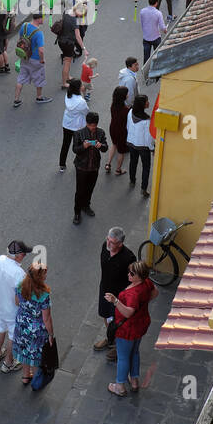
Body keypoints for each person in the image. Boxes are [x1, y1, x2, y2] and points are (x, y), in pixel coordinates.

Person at [106, 261, 157, 396]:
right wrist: (143, 304)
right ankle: (134, 380)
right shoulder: (146, 283)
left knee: (123, 357)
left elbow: (128, 312)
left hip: (127, 329)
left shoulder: (132, 294)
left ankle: (120, 386)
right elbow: (155, 293)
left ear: (139, 276)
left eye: (132, 273)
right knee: (134, 352)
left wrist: (115, 301)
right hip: (141, 325)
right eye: (129, 271)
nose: (128, 274)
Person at [94, 227, 137, 360]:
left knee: (119, 322)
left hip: (119, 296)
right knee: (105, 315)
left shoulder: (128, 258)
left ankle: (119, 347)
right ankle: (110, 338)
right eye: (107, 239)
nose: (108, 243)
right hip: (105, 290)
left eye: (112, 242)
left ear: (120, 244)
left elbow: (134, 280)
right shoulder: (105, 247)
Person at [0, 240, 30, 373]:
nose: (25, 256)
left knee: (0, 327)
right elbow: (19, 300)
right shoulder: (19, 274)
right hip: (12, 311)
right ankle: (8, 363)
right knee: (13, 336)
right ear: (18, 255)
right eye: (24, 254)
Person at [12, 262, 53, 385]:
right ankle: (36, 379)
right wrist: (51, 334)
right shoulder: (43, 294)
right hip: (36, 329)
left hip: (21, 324)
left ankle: (25, 376)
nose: (46, 276)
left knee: (24, 349)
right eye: (44, 274)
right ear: (39, 277)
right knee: (35, 355)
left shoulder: (20, 286)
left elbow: (17, 302)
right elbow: (46, 318)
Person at [72, 111, 108, 225]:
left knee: (90, 188)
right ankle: (77, 212)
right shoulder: (78, 133)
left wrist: (100, 145)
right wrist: (83, 146)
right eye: (90, 125)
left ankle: (86, 206)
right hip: (81, 167)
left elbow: (105, 147)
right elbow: (75, 149)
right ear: (87, 123)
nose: (93, 128)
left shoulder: (101, 132)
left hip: (94, 167)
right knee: (79, 191)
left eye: (94, 125)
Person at [12, 12, 52, 108]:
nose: (43, 20)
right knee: (39, 77)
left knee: (21, 78)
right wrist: (42, 60)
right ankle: (39, 97)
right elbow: (41, 50)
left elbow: (21, 39)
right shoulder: (38, 33)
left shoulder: (24, 26)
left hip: (25, 57)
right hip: (35, 59)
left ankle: (16, 100)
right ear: (38, 19)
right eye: (42, 18)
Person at [58, 78, 89, 173]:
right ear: (78, 88)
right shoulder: (81, 102)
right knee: (79, 145)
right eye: (81, 85)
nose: (83, 86)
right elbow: (86, 111)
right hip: (77, 126)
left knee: (65, 144)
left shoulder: (68, 95)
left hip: (67, 123)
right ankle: (78, 162)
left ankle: (62, 164)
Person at [125, 94, 153, 197]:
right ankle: (143, 188)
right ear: (142, 105)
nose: (148, 103)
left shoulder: (130, 112)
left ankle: (132, 180)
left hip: (131, 142)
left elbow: (127, 126)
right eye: (146, 101)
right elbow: (148, 138)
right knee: (146, 167)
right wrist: (152, 148)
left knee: (133, 162)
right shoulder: (146, 120)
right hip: (143, 146)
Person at [53, 6, 84, 86]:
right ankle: (64, 83)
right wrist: (83, 48)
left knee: (67, 60)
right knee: (67, 63)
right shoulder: (75, 21)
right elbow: (78, 36)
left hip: (60, 40)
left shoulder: (66, 12)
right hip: (68, 43)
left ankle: (67, 76)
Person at [106, 85, 130, 178]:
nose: (128, 94)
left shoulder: (113, 105)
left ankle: (108, 164)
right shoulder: (126, 110)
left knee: (114, 145)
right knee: (121, 151)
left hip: (113, 128)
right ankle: (118, 170)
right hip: (122, 131)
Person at [139, 0, 167, 66]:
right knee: (158, 56)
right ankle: (157, 72)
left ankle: (145, 72)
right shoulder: (158, 13)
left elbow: (142, 23)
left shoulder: (142, 11)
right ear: (156, 3)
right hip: (156, 37)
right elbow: (162, 26)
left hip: (146, 37)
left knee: (146, 57)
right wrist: (165, 30)